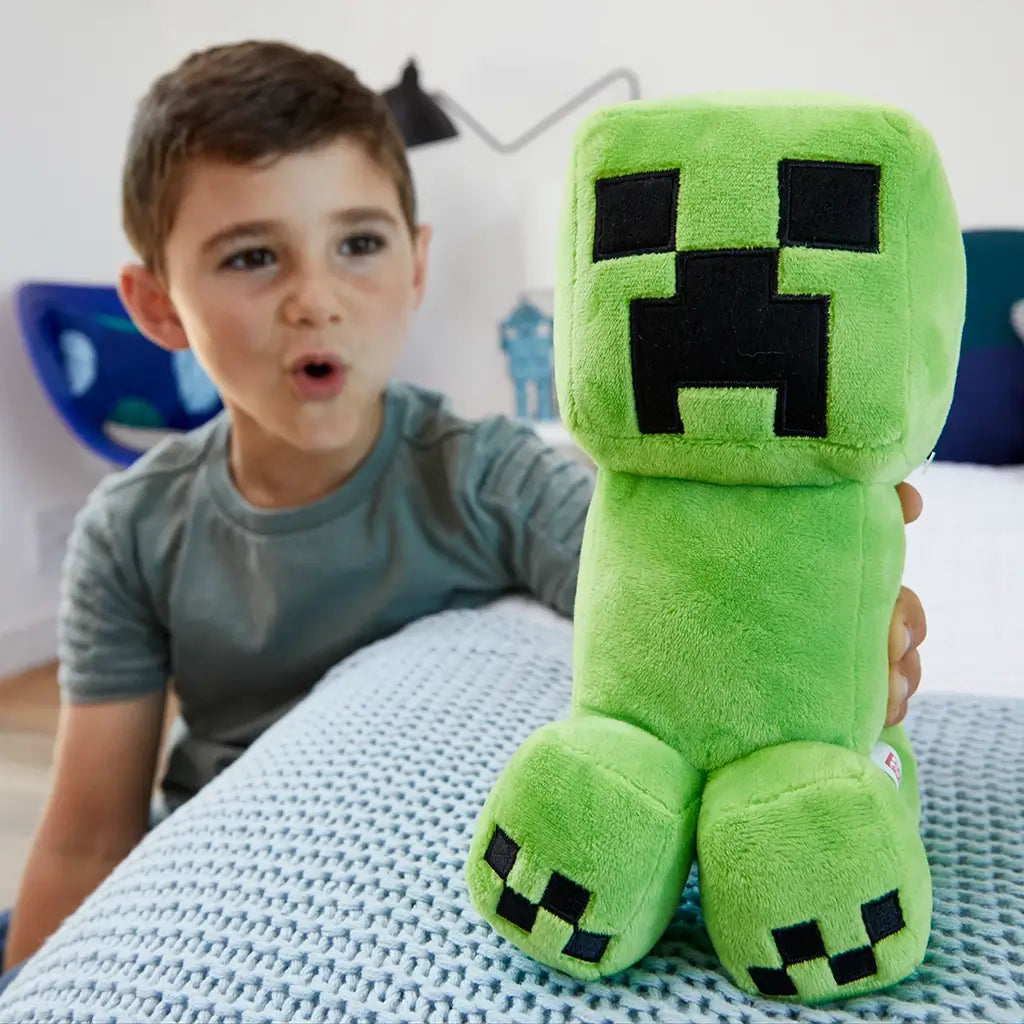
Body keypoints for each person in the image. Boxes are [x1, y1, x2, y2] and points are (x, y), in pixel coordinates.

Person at [0, 40, 927, 982]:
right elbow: (85, 840)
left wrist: (821, 623)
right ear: (157, 306)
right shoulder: (129, 529)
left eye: (358, 243)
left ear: (415, 265)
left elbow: (673, 596)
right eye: (251, 258)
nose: (315, 300)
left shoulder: (486, 475)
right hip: (216, 873)